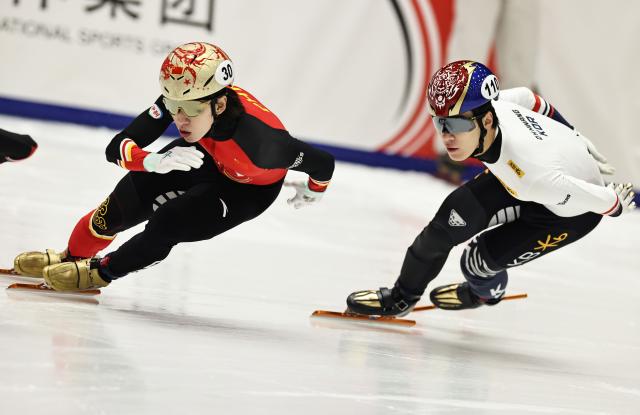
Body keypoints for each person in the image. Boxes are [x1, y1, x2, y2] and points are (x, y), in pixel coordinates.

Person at [13, 41, 335, 291]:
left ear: (219, 104)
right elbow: (118, 146)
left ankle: (102, 271)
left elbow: (323, 163)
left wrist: (315, 189)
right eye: (172, 106)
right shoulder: (187, 94)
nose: (178, 118)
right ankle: (73, 256)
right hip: (202, 156)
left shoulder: (265, 146)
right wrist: (149, 161)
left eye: (189, 110)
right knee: (121, 204)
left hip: (246, 189)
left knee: (168, 222)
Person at [346, 60, 635, 316]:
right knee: (441, 229)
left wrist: (615, 202)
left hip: (572, 210)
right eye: (440, 123)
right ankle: (401, 299)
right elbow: (528, 97)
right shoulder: (495, 106)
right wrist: (574, 133)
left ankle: (484, 293)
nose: (447, 137)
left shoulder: (532, 176)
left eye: (457, 125)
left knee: (475, 262)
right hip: (525, 177)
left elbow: (599, 202)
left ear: (486, 121)